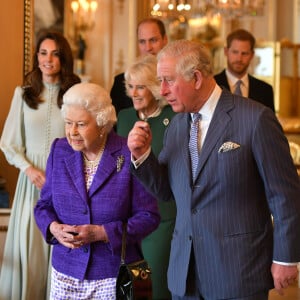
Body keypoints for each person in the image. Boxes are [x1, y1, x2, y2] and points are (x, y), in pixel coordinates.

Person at [127, 40, 300, 300]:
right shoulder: (176, 126)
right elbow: (166, 191)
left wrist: (286, 258)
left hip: (238, 273)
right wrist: (141, 156)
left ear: (196, 78)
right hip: (185, 275)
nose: (162, 91)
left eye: (169, 81)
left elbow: (285, 196)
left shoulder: (255, 119)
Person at [34, 82, 160, 299]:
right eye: (68, 123)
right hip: (65, 272)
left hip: (113, 274)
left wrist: (103, 233)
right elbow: (43, 206)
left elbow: (149, 216)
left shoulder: (127, 152)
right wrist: (53, 227)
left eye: (81, 124)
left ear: (102, 124)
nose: (72, 132)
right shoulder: (59, 149)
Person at [0, 31, 81, 300]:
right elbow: (9, 143)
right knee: (31, 248)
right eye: (43, 53)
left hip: (65, 184)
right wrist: (29, 169)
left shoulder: (75, 94)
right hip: (30, 183)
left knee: (60, 249)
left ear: (63, 58)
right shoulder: (23, 94)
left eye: (55, 53)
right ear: (36, 57)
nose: (48, 59)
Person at [117, 54, 176, 299]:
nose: (134, 93)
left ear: (155, 86)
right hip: (128, 219)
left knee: (157, 288)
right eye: (131, 87)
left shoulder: (174, 117)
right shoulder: (124, 117)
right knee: (130, 289)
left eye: (141, 86)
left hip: (163, 216)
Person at [110, 17, 168, 114]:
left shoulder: (175, 81)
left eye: (153, 40)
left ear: (165, 39)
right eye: (142, 42)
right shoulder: (120, 83)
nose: (148, 48)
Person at [214, 28, 275, 111]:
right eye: (235, 52)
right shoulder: (212, 85)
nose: (239, 58)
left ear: (252, 55)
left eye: (244, 53)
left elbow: (268, 123)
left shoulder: (265, 90)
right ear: (226, 52)